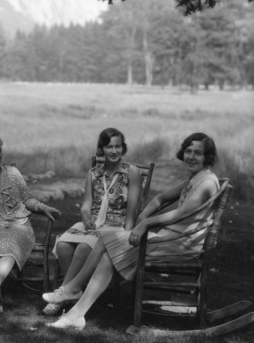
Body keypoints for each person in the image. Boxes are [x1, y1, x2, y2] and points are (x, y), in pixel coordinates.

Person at [43, 132, 220, 330]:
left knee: (107, 241)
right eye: (188, 151)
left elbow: (179, 214)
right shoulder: (195, 178)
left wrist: (145, 224)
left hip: (180, 243)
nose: (191, 156)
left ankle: (72, 290)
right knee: (107, 250)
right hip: (169, 238)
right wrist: (144, 215)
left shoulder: (206, 183)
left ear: (207, 157)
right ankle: (77, 312)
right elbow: (160, 198)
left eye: (198, 153)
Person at [42, 128, 142, 316]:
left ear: (123, 148)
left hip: (116, 226)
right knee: (63, 245)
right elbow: (86, 206)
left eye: (118, 146)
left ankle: (63, 294)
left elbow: (132, 210)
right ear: (101, 149)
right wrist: (87, 220)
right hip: (94, 223)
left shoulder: (131, 172)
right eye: (109, 147)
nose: (114, 151)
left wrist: (126, 236)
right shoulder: (93, 173)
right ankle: (73, 291)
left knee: (83, 248)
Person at [0, 135, 61, 312]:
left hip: (19, 223)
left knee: (13, 243)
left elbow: (27, 198)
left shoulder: (13, 173)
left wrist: (42, 207)